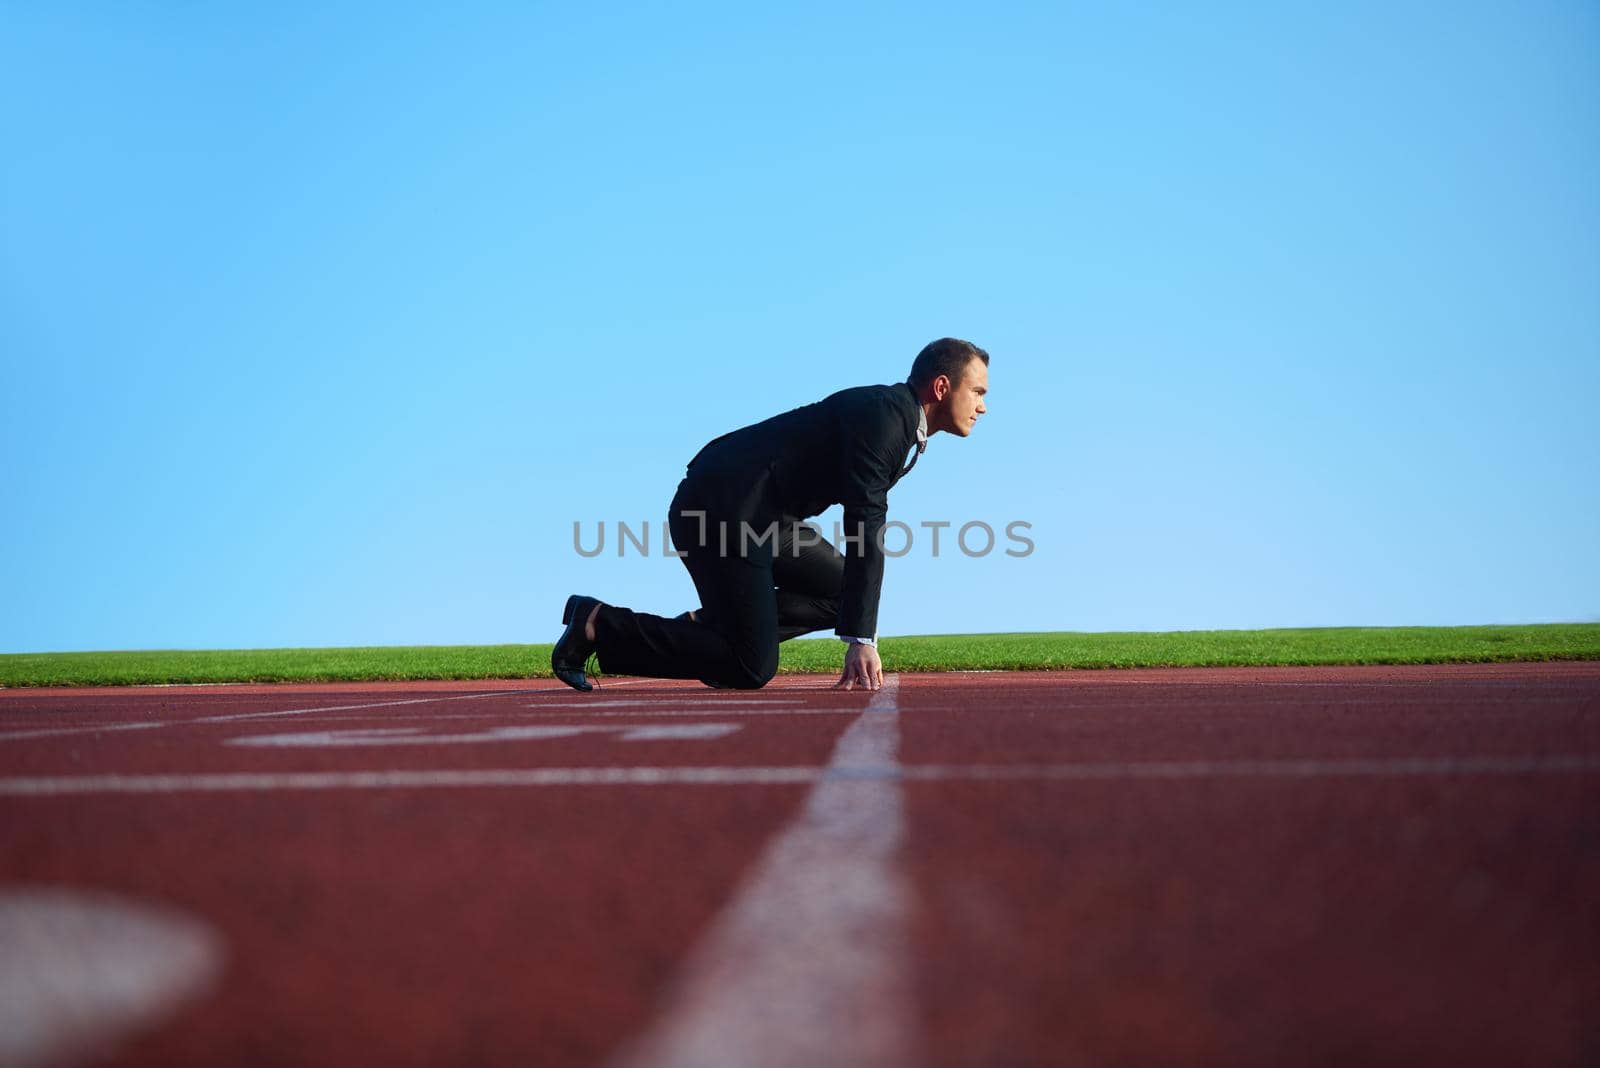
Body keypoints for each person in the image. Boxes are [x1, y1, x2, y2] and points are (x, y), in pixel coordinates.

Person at [551, 337, 990, 692]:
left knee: (843, 591)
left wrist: (858, 625)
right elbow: (865, 526)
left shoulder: (895, 419)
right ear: (941, 387)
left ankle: (713, 629)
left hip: (766, 518)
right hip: (723, 511)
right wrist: (861, 640)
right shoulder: (885, 420)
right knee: (750, 666)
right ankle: (597, 624)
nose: (982, 406)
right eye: (978, 392)